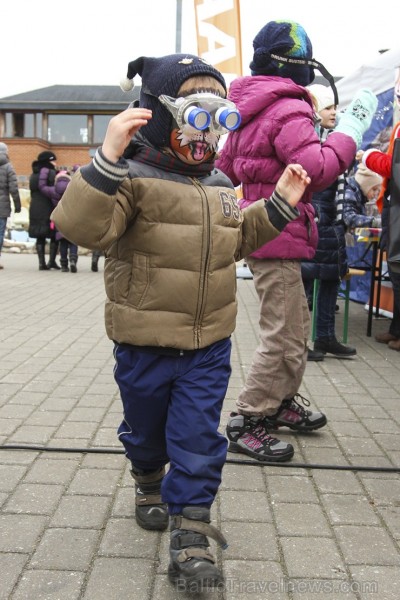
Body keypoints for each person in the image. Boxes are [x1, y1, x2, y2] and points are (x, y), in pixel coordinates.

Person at [52, 52, 311, 590]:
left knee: (197, 440)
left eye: (220, 116)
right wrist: (105, 158)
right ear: (162, 114)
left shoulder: (218, 182)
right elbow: (81, 228)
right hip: (144, 341)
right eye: (197, 112)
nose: (207, 132)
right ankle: (147, 477)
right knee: (147, 433)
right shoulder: (132, 178)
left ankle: (191, 534)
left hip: (208, 345)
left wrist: (278, 206)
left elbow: (236, 241)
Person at [215, 20, 377, 462]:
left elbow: (223, 169)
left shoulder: (249, 107)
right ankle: (249, 418)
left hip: (266, 231)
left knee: (294, 328)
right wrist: (349, 132)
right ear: (299, 65)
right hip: (280, 233)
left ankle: (281, 403)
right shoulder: (287, 107)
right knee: (284, 335)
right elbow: (318, 168)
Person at [302, 84, 357, 358]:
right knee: (302, 281)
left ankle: (324, 337)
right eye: (328, 107)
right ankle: (298, 342)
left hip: (331, 222)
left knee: (330, 279)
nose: (334, 112)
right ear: (315, 110)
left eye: (335, 107)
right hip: (313, 218)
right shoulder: (308, 139)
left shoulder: (333, 137)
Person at [361, 121, 400, 350]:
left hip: (396, 210)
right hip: (393, 207)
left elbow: (393, 167)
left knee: (397, 271)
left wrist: (368, 156)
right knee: (395, 272)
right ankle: (396, 329)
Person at [38, 168, 79, 272]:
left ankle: (64, 265)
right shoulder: (73, 188)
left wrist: (44, 173)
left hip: (60, 219)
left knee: (63, 242)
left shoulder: (53, 190)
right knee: (73, 241)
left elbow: (42, 187)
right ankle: (73, 260)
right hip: (72, 218)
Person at [29, 151, 60, 270]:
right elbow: (55, 190)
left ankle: (41, 263)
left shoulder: (33, 174)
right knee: (54, 234)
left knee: (39, 235)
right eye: (53, 160)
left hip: (35, 207)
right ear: (48, 161)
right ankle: (51, 261)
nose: (55, 163)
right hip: (49, 207)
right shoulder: (51, 173)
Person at [341, 163, 382, 229]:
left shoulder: (359, 196)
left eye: (378, 191)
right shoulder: (350, 193)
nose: (375, 194)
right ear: (365, 185)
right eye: (374, 189)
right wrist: (373, 222)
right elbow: (349, 218)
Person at [0, 142, 21, 269]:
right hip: (2, 207)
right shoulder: (8, 167)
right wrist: (18, 205)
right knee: (0, 233)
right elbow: (14, 188)